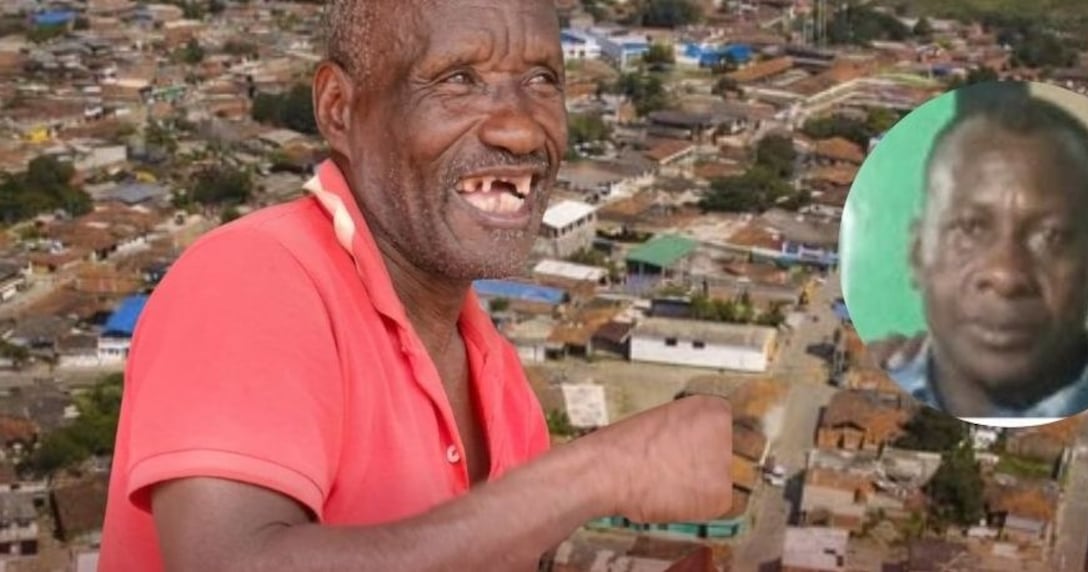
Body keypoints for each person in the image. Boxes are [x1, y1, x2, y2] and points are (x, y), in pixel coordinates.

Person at [98, 1, 732, 570]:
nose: (520, 129)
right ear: (338, 109)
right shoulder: (257, 278)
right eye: (459, 79)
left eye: (542, 80)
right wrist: (592, 475)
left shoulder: (501, 382)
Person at [869, 87, 1088, 420]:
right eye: (971, 228)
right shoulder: (876, 380)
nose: (1006, 275)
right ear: (918, 253)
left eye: (1052, 236)